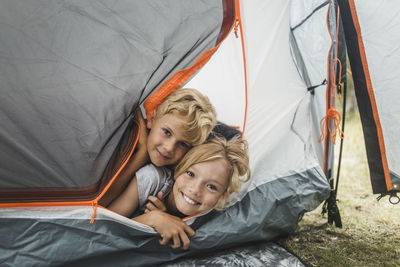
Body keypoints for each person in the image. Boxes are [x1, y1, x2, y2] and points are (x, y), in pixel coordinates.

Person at [108, 135, 251, 250]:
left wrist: (165, 217)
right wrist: (154, 219)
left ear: (223, 195)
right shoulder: (152, 179)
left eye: (212, 187)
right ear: (179, 169)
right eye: (190, 174)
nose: (195, 190)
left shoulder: (214, 217)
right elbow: (105, 226)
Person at [99, 88, 217, 207]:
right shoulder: (123, 139)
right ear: (151, 120)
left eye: (183, 144)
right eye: (167, 132)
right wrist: (142, 154)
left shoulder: (173, 179)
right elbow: (96, 203)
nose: (169, 148)